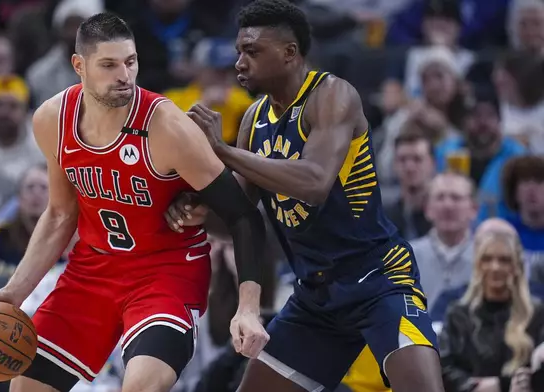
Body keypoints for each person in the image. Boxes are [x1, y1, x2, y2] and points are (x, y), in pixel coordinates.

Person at [0, 12, 269, 392]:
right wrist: (16, 291)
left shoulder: (166, 126)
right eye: (109, 65)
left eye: (130, 62)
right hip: (91, 273)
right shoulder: (51, 119)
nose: (124, 76)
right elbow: (61, 213)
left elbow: (243, 215)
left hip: (165, 274)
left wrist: (248, 308)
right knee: (25, 388)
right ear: (79, 66)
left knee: (140, 387)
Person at [167, 1, 444, 391]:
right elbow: (240, 217)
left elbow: (315, 183)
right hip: (316, 297)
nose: (239, 64)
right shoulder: (253, 119)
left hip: (377, 280)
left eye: (252, 52)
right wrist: (193, 210)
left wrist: (224, 151)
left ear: (289, 53)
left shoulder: (332, 95)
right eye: (238, 52)